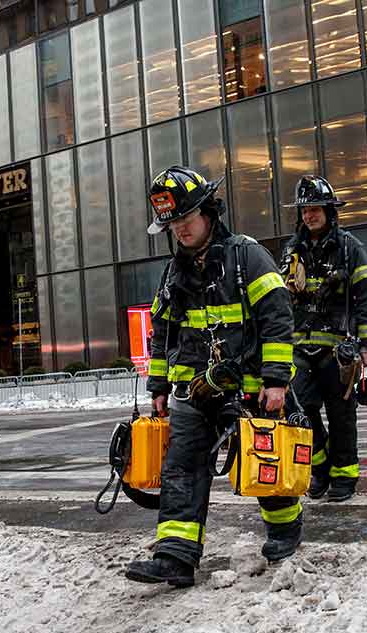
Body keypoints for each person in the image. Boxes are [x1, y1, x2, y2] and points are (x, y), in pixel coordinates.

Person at [125, 166, 297, 588]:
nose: (180, 231)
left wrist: (275, 380)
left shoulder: (247, 256)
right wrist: (160, 387)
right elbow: (163, 332)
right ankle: (175, 557)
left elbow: (277, 317)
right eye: (173, 225)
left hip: (250, 388)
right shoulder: (173, 273)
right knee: (181, 469)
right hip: (192, 393)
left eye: (186, 221)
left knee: (265, 466)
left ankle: (283, 537)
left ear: (208, 212)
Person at [280, 176, 367, 502]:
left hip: (337, 348)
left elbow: (366, 295)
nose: (309, 215)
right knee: (300, 411)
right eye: (305, 210)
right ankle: (319, 469)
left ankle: (344, 477)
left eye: (315, 208)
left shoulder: (350, 248)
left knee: (340, 415)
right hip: (298, 345)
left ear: (329, 210)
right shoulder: (292, 249)